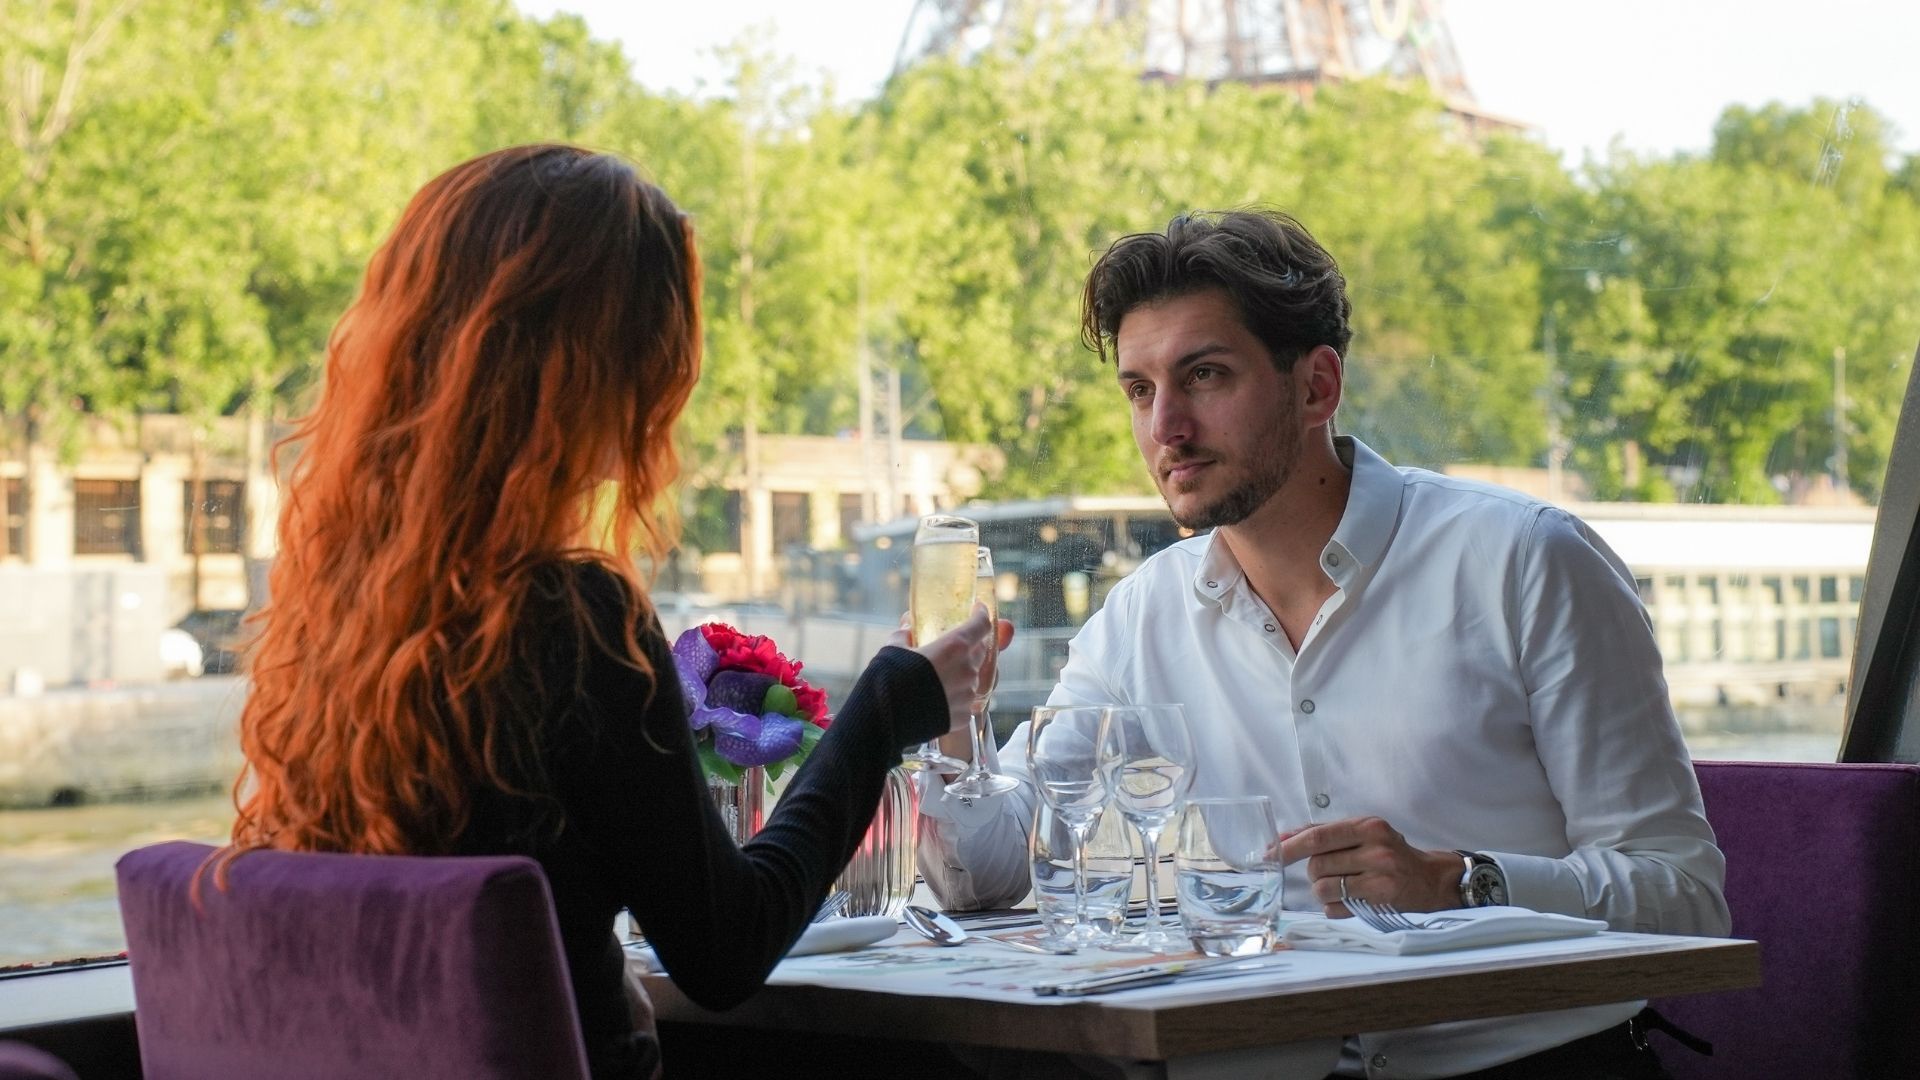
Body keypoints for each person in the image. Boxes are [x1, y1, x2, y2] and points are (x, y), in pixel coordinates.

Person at [217, 144, 995, 1080]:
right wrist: (887, 706)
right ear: (594, 366)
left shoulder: (341, 615)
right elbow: (724, 950)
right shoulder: (567, 617)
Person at [918, 209, 1730, 1079]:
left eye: (1205, 375)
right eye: (1141, 390)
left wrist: (1464, 883)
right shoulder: (1141, 614)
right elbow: (989, 881)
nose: (1166, 429)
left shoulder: (1529, 560)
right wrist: (951, 717)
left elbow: (1685, 902)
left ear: (1317, 387)